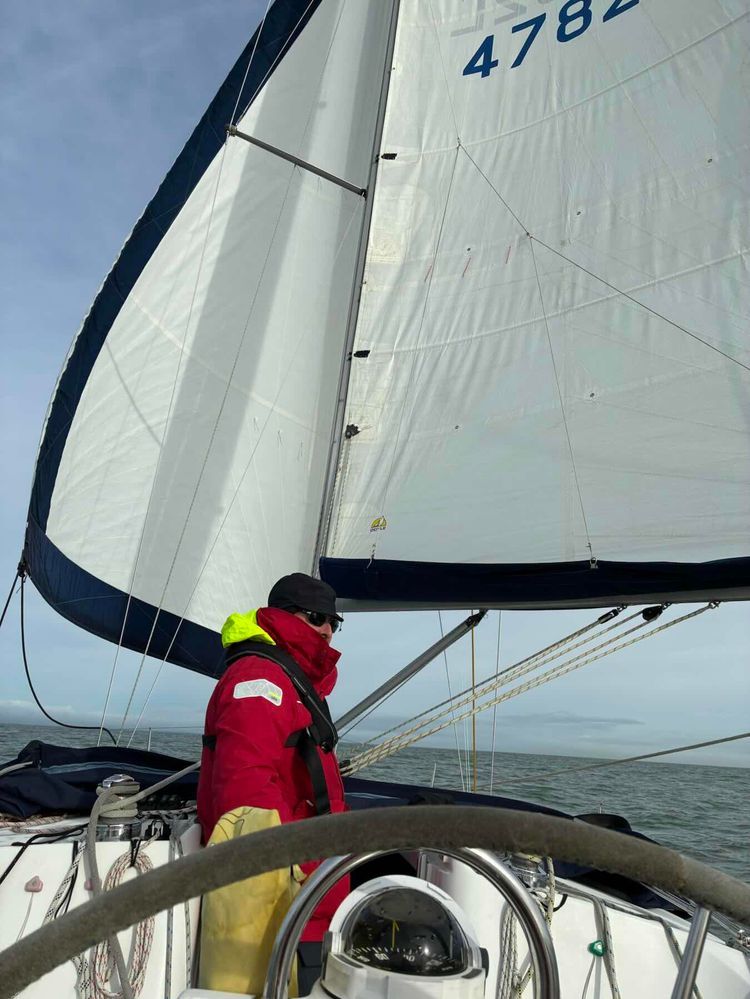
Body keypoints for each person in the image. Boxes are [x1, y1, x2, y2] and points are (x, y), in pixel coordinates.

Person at [197, 572, 348, 996]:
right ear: (284, 616)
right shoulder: (260, 682)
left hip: (313, 889)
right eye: (317, 617)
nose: (327, 630)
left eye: (335, 622)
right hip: (288, 896)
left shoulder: (291, 682)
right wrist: (293, 872)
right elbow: (246, 798)